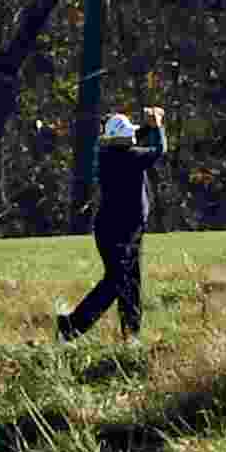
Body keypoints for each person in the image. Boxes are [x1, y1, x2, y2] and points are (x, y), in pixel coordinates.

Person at [58, 106, 167, 342]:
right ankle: (70, 327)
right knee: (116, 283)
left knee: (130, 282)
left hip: (123, 229)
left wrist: (148, 125)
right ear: (119, 139)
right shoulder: (130, 156)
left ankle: (131, 334)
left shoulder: (110, 151)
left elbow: (135, 136)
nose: (131, 138)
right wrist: (157, 124)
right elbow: (160, 150)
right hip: (118, 232)